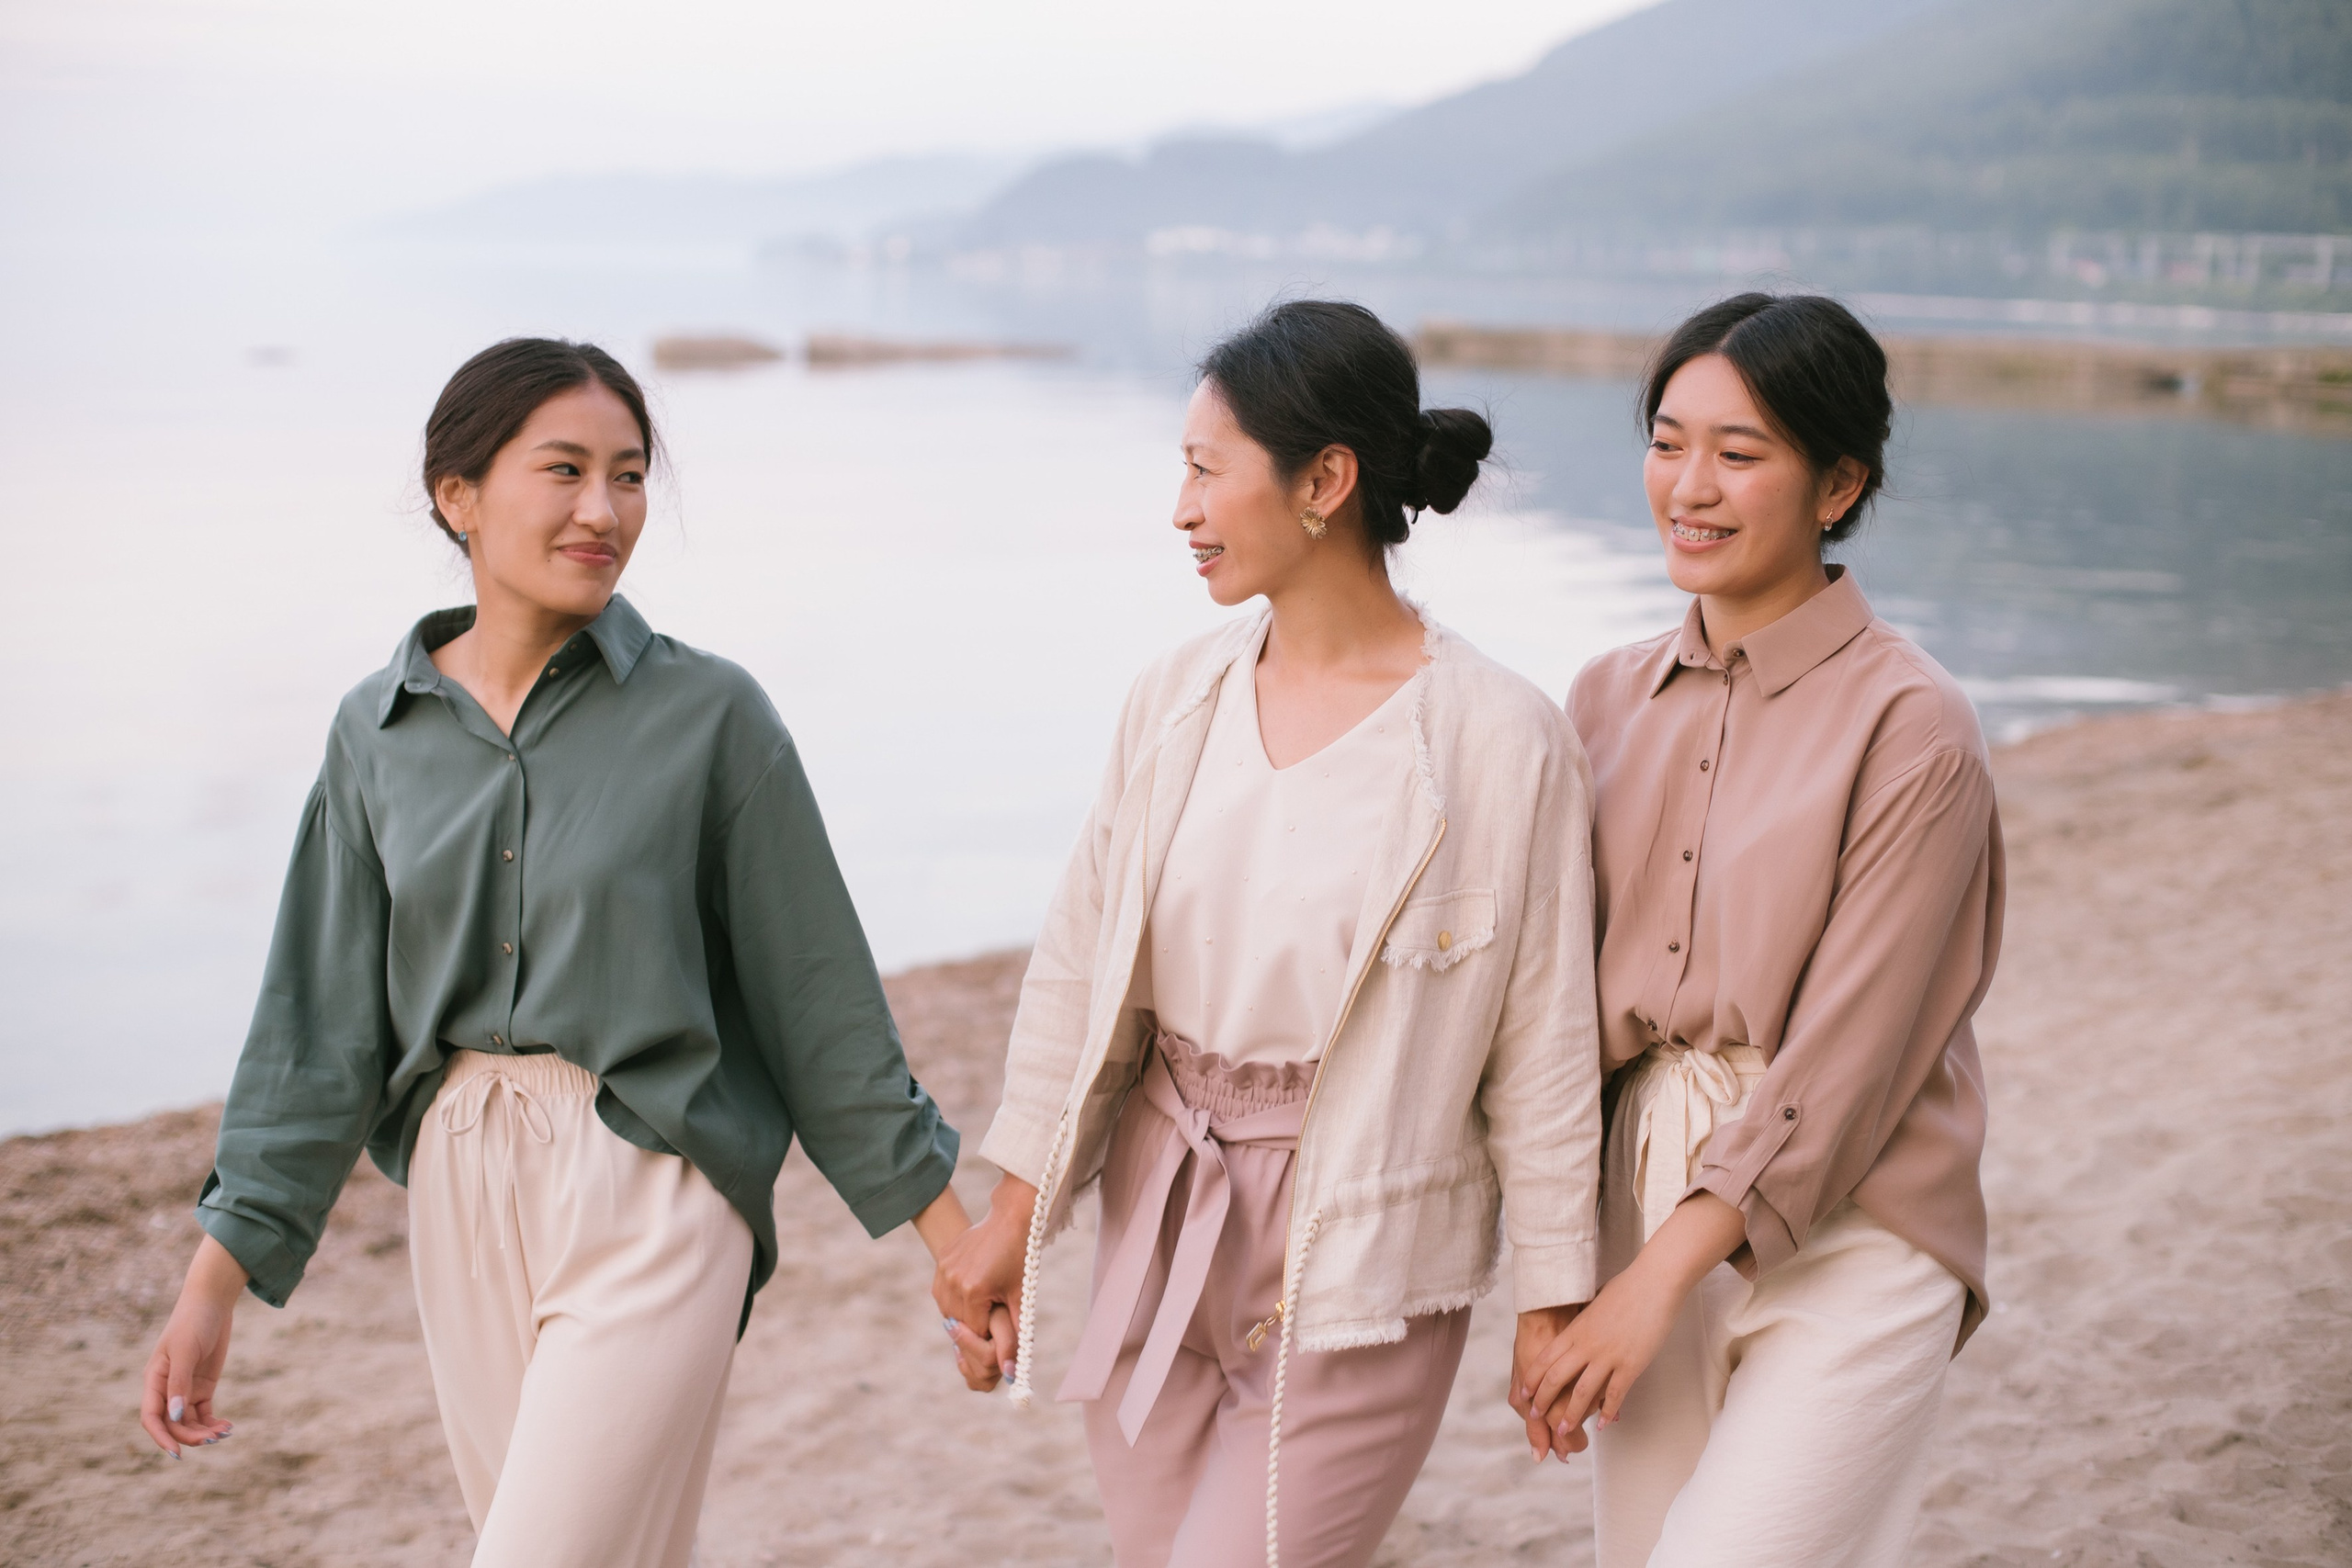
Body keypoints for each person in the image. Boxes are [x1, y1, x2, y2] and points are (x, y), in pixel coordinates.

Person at [137, 337, 973, 1568]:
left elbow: (819, 1004)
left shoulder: (712, 718)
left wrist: (954, 1248)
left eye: (629, 476)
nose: (605, 510)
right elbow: (317, 1032)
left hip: (657, 1180)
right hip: (459, 1188)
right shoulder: (375, 738)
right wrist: (216, 1281)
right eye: (566, 470)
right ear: (457, 496)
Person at [932, 300, 1605, 1568]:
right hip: (1157, 1206)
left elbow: (1547, 1047)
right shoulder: (1172, 698)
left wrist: (1553, 1298)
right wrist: (1014, 1221)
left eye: (1203, 469)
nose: (1180, 509)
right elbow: (1079, 977)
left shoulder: (1499, 739)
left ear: (1325, 482)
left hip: (1360, 1240)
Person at [1521, 293, 2003, 1566]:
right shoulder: (1604, 699)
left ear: (1838, 483)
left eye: (1740, 455)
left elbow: (1851, 1056)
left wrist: (1652, 1283)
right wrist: (1554, 1277)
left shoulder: (1915, 724)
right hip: (1637, 1204)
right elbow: (1553, 1015)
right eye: (1668, 442)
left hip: (1860, 1221)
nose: (1691, 486)